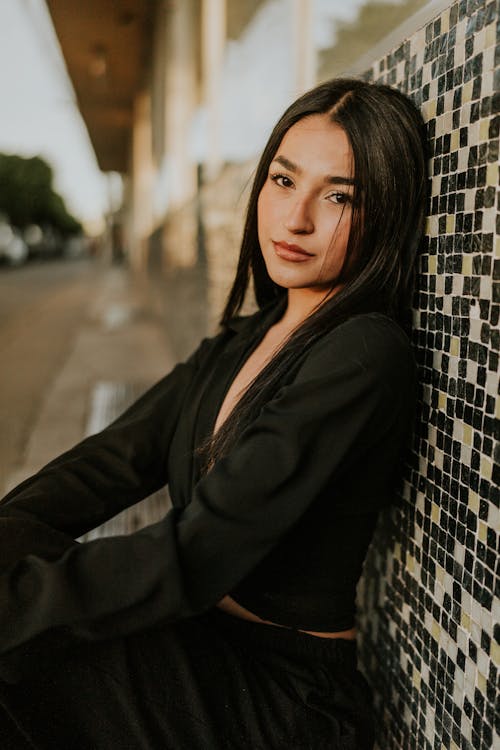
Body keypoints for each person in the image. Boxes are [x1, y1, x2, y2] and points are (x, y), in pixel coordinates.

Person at [0, 78, 427, 749]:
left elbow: (198, 551)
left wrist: (14, 603)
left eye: (339, 195)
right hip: (202, 651)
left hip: (280, 700)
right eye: (284, 181)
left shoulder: (363, 355)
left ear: (387, 213)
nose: (296, 218)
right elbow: (106, 465)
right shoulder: (242, 341)